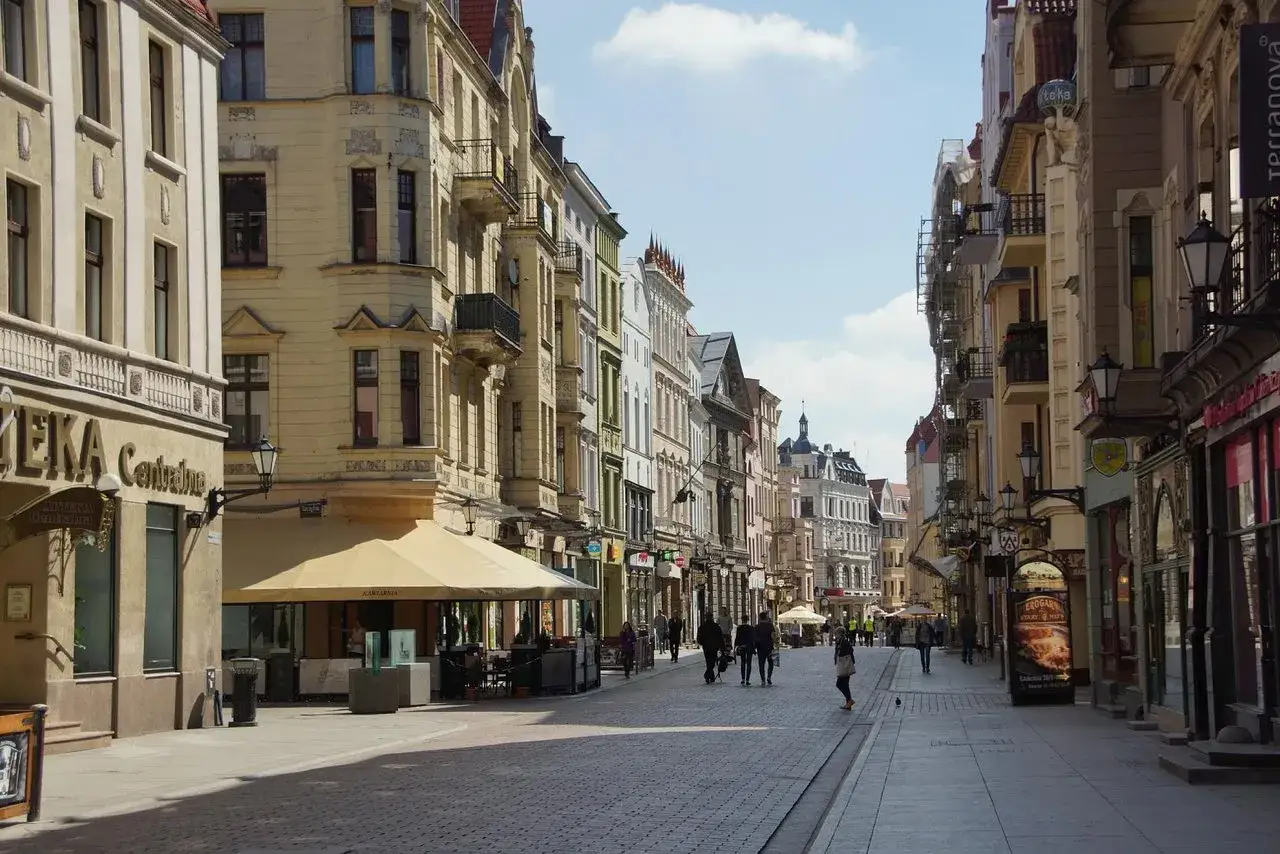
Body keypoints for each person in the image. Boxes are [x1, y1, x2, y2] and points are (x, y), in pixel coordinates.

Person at [833, 626, 856, 711]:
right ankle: (848, 704)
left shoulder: (843, 641)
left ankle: (849, 700)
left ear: (840, 634)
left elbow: (850, 650)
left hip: (845, 665)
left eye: (836, 633)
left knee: (839, 684)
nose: (835, 635)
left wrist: (840, 655)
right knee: (845, 684)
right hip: (844, 665)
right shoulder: (840, 641)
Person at [697, 612, 724, 684]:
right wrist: (722, 648)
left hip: (706, 647)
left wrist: (702, 643)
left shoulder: (702, 626)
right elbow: (720, 638)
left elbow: (699, 637)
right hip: (714, 647)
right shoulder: (716, 626)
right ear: (712, 617)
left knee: (709, 662)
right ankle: (707, 675)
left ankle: (710, 677)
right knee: (711, 662)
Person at [754, 611, 776, 686]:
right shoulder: (770, 625)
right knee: (770, 662)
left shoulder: (757, 627)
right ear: (766, 617)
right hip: (769, 647)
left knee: (761, 664)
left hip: (760, 647)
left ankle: (763, 679)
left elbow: (754, 637)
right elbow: (773, 636)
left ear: (760, 618)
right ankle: (769, 677)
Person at [734, 614, 756, 686]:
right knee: (749, 663)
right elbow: (753, 638)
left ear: (742, 620)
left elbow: (737, 638)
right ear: (748, 620)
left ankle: (743, 679)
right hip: (749, 647)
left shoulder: (739, 628)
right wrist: (754, 647)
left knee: (743, 663)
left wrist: (736, 646)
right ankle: (747, 680)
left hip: (742, 647)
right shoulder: (751, 628)